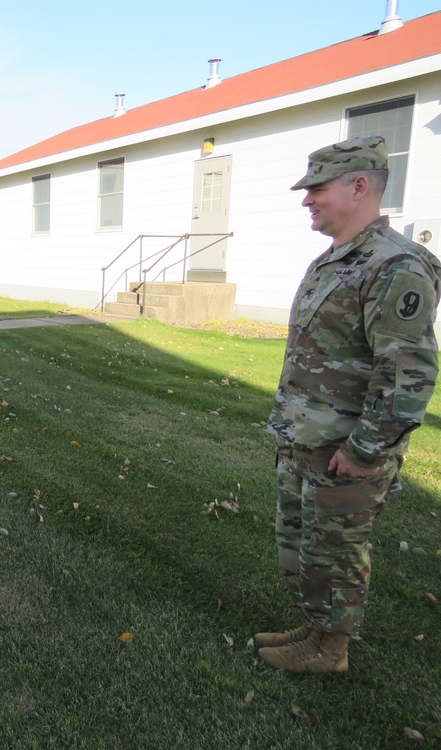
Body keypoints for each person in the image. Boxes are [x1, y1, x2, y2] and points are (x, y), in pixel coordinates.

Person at [258, 136, 441, 674]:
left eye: (316, 188)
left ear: (358, 186)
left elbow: (408, 373)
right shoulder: (335, 260)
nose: (306, 200)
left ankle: (330, 652)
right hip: (308, 440)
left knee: (336, 553)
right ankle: (315, 629)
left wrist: (364, 451)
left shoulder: (395, 266)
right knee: (305, 546)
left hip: (346, 449)